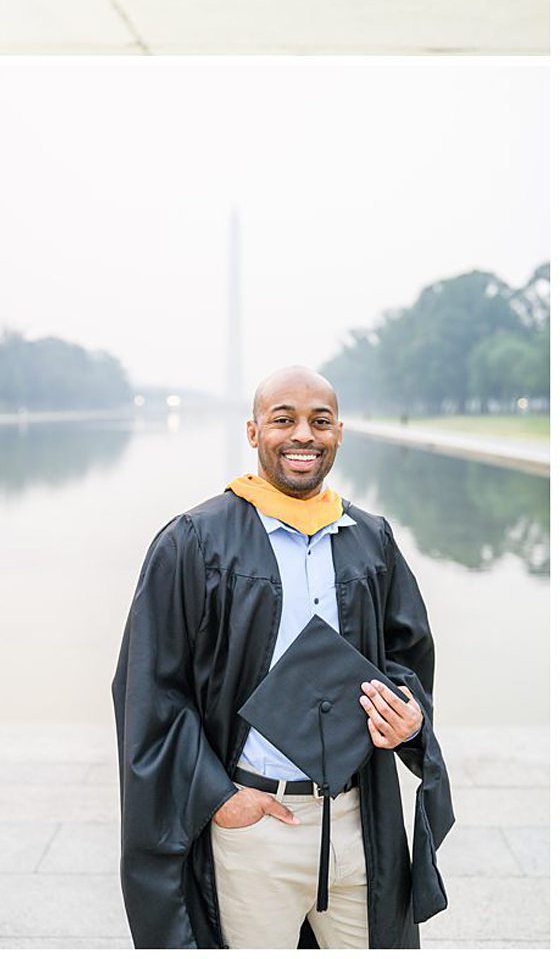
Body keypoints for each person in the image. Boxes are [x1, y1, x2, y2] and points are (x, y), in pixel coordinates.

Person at [112, 366, 455, 947]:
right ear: (253, 433)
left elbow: (406, 655)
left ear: (339, 433)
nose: (304, 435)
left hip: (357, 817)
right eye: (284, 420)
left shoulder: (370, 539)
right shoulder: (196, 541)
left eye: (320, 422)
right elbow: (151, 687)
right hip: (256, 822)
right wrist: (220, 799)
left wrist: (408, 714)